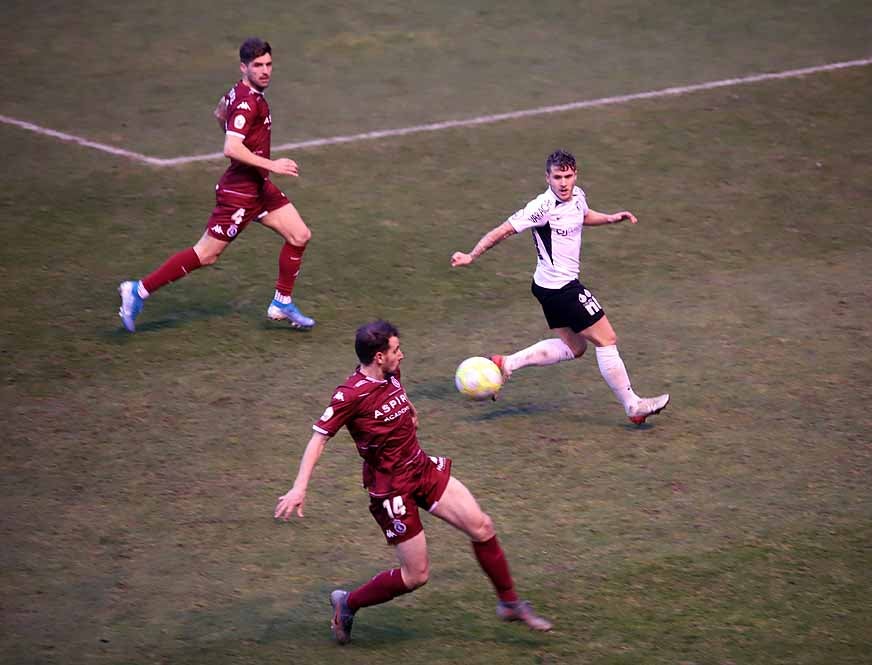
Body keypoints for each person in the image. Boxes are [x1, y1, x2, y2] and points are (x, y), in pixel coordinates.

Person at [274, 320, 552, 644]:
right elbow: (318, 438)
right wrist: (299, 487)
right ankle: (348, 603)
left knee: (482, 527)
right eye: (396, 350)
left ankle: (509, 603)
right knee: (416, 575)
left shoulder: (390, 374)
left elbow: (400, 402)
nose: (401, 355)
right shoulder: (349, 395)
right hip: (392, 490)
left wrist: (415, 413)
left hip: (420, 468)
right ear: (379, 356)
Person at [450, 149, 670, 425]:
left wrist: (611, 218)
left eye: (568, 176)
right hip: (561, 289)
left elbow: (583, 215)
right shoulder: (541, 207)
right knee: (606, 339)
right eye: (557, 177)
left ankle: (507, 364)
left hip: (546, 287)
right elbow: (502, 230)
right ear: (547, 177)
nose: (563, 183)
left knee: (576, 348)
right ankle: (632, 405)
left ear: (575, 174)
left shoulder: (577, 196)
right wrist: (472, 255)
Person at [118, 37, 315, 332]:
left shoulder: (239, 91)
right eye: (257, 66)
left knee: (299, 235)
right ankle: (138, 290)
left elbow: (221, 114)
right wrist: (272, 164)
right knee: (206, 254)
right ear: (244, 67)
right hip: (240, 193)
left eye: (269, 64)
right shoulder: (249, 102)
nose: (265, 71)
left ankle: (281, 303)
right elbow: (231, 148)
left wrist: (257, 161)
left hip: (258, 187)